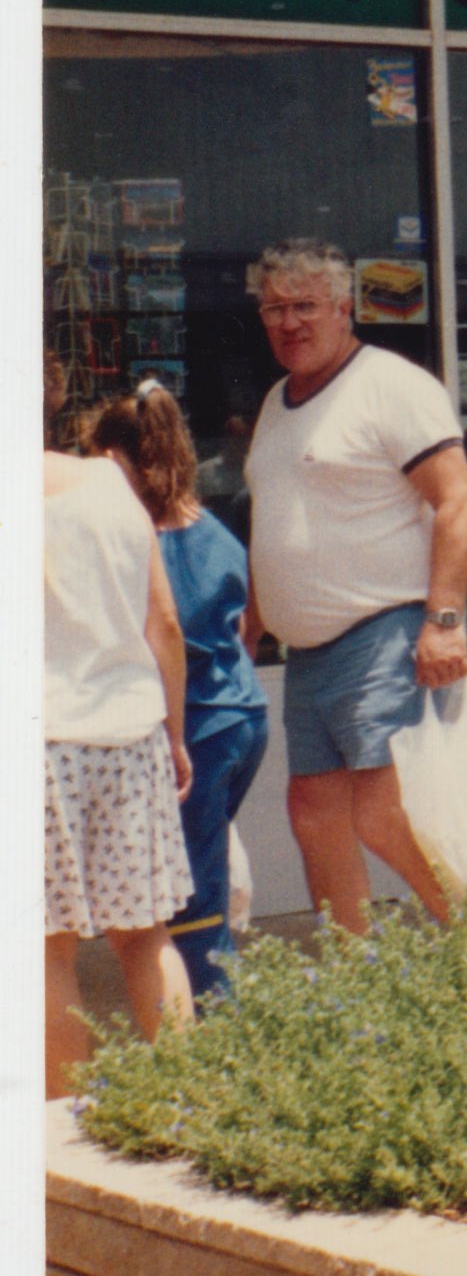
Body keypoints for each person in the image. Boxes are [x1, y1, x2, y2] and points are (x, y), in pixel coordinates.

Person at [241, 241, 467, 944]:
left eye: (304, 306)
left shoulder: (391, 383)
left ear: (344, 306)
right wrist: (258, 614)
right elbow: (283, 515)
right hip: (311, 650)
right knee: (313, 814)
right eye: (274, 308)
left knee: (391, 816)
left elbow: (458, 501)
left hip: (384, 629)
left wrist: (445, 620)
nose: (288, 322)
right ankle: (353, 991)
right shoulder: (277, 399)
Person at [86, 379, 268, 997]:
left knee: (191, 894)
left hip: (197, 730)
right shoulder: (215, 530)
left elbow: (155, 635)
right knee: (204, 861)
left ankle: (218, 1025)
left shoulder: (142, 542)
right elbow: (249, 623)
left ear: (117, 462)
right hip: (243, 716)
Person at [44, 354, 194, 1097]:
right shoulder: (112, 482)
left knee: (44, 952)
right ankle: (184, 1100)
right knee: (146, 936)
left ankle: (62, 1136)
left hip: (42, 744)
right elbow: (164, 624)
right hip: (131, 734)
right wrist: (173, 733)